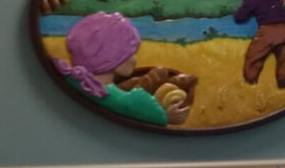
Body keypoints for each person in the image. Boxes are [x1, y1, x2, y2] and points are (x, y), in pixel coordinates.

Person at [52, 12, 190, 126]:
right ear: (113, 55)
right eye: (131, 53)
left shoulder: (73, 79)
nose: (135, 59)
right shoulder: (138, 102)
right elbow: (156, 118)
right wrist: (168, 117)